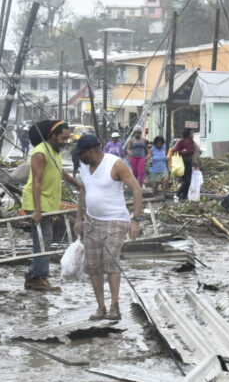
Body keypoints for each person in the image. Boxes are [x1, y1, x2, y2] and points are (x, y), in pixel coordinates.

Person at [74, 135, 142, 321]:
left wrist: (135, 219)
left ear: (91, 151)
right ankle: (101, 307)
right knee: (93, 266)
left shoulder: (115, 164)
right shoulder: (84, 168)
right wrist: (79, 218)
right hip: (92, 220)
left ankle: (114, 306)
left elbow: (136, 188)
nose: (79, 158)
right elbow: (83, 190)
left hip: (115, 220)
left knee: (110, 262)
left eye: (81, 154)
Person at [21, 120, 81, 292]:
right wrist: (37, 211)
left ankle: (34, 274)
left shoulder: (54, 153)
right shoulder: (40, 153)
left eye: (67, 138)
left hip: (49, 203)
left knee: (45, 240)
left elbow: (62, 173)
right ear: (52, 135)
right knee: (42, 241)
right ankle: (37, 278)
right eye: (63, 138)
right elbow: (36, 182)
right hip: (37, 203)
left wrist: (79, 185)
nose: (65, 142)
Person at [173, 128, 200, 201]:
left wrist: (196, 163)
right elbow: (175, 150)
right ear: (187, 135)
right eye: (191, 133)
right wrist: (182, 152)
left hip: (189, 163)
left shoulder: (193, 143)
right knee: (186, 180)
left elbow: (194, 153)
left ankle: (183, 197)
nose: (192, 135)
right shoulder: (181, 142)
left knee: (189, 181)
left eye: (193, 134)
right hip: (182, 163)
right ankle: (177, 194)